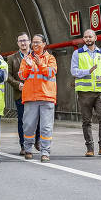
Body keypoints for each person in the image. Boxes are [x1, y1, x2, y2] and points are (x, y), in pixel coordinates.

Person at [71, 29, 101, 157]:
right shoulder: (77, 53)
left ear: (95, 38)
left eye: (90, 36)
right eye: (85, 37)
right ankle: (90, 148)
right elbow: (74, 71)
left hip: (100, 91)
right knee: (86, 121)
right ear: (83, 39)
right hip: (84, 92)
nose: (88, 39)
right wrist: (87, 71)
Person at [19, 34, 57, 162]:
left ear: (44, 44)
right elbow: (22, 76)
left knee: (46, 127)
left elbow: (51, 72)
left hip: (47, 97)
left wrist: (40, 64)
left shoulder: (50, 58)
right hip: (30, 98)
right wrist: (29, 66)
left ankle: (45, 152)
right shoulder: (26, 59)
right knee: (29, 125)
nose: (35, 45)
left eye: (38, 42)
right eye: (33, 42)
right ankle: (28, 149)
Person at [6, 32, 39, 155]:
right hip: (21, 93)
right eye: (20, 41)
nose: (23, 43)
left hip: (36, 93)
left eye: (25, 40)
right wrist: (17, 84)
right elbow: (7, 76)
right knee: (23, 120)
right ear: (17, 43)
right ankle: (23, 145)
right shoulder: (12, 58)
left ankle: (37, 140)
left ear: (29, 41)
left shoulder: (37, 55)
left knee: (38, 118)